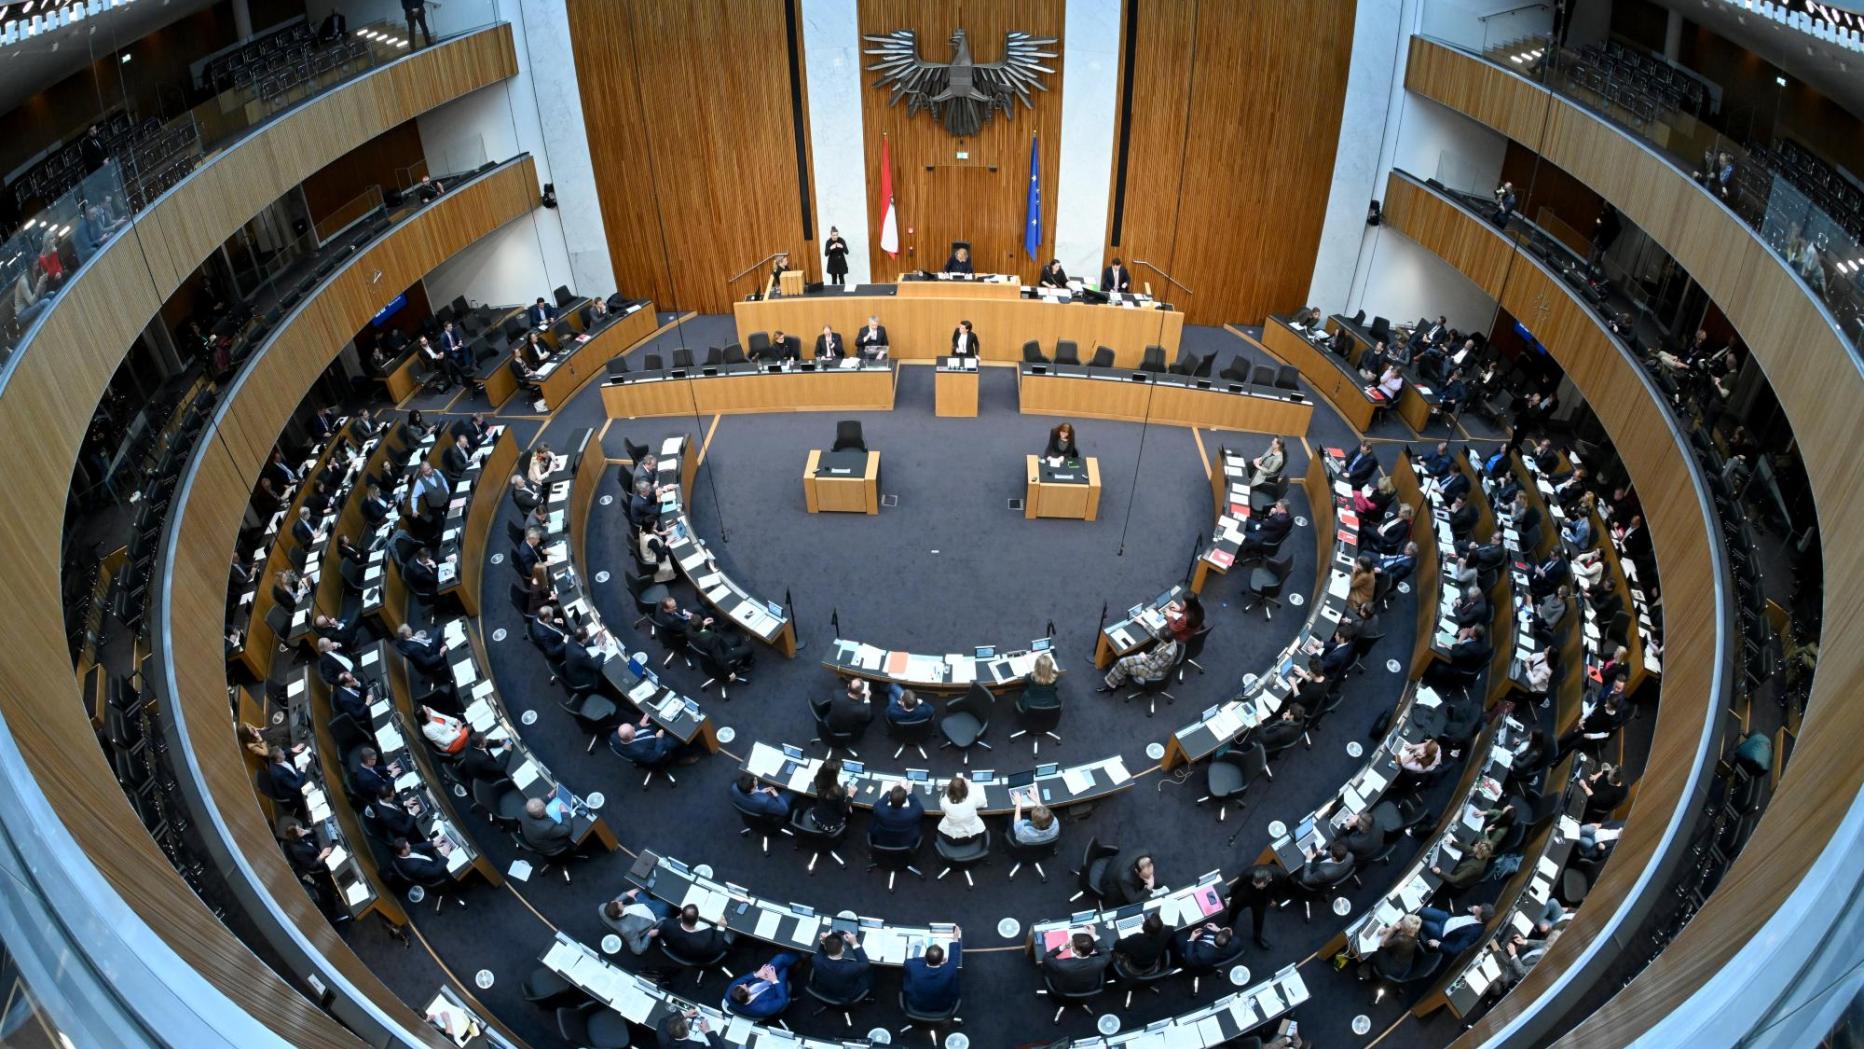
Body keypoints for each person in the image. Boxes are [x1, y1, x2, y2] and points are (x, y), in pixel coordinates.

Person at [901, 932, 962, 1015]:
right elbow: (953, 959)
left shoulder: (913, 967)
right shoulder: (949, 969)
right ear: (942, 960)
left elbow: (907, 961)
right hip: (943, 1006)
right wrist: (955, 939)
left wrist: (923, 959)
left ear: (925, 957)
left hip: (917, 1005)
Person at [724, 952, 798, 1018]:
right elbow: (783, 1000)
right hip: (775, 989)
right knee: (784, 967)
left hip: (761, 979)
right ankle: (801, 955)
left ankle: (793, 959)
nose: (744, 984)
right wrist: (774, 980)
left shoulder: (730, 995)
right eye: (745, 987)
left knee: (781, 958)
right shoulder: (763, 1008)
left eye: (741, 985)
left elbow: (739, 981)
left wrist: (756, 974)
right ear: (748, 997)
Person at [602, 888, 673, 957]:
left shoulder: (602, 909)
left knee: (644, 889)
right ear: (620, 915)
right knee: (668, 899)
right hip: (652, 915)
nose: (620, 902)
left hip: (638, 905)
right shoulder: (628, 930)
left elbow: (613, 904)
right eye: (619, 904)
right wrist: (649, 935)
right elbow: (638, 951)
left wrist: (627, 894)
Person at [1098, 635, 1180, 691]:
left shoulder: (1168, 653)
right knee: (1122, 662)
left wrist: (1143, 658)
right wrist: (1143, 623)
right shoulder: (1169, 640)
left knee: (1125, 665)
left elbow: (1153, 667)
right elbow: (1156, 634)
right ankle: (1117, 682)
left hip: (1153, 672)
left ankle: (1111, 686)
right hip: (1151, 659)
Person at [1043, 931, 1112, 994]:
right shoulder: (1101, 961)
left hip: (1066, 988)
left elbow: (1047, 958)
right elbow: (1106, 952)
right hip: (1089, 987)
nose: (1071, 943)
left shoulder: (1063, 965)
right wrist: (1093, 935)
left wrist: (1063, 946)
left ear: (1078, 952)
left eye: (1072, 944)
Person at [868, 782, 924, 848]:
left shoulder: (879, 810)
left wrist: (889, 791)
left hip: (881, 839)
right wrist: (909, 793)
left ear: (889, 799)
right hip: (905, 842)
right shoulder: (911, 814)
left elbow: (878, 804)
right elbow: (919, 808)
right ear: (904, 801)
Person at [611, 718, 680, 768]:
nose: (634, 727)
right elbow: (656, 755)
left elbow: (629, 732)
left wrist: (639, 725)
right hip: (655, 744)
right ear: (631, 736)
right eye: (633, 729)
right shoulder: (641, 751)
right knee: (677, 739)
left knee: (655, 720)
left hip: (649, 734)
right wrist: (659, 738)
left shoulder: (614, 736)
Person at [937, 775, 985, 840]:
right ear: (965, 790)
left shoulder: (944, 801)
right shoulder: (972, 799)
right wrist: (969, 786)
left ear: (949, 789)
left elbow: (942, 809)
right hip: (972, 833)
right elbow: (983, 802)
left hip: (951, 834)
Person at [656, 1011, 721, 1048]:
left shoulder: (662, 1035)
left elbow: (663, 1021)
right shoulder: (696, 1046)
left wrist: (685, 1014)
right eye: (686, 1022)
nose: (687, 1022)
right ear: (687, 1032)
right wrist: (707, 1031)